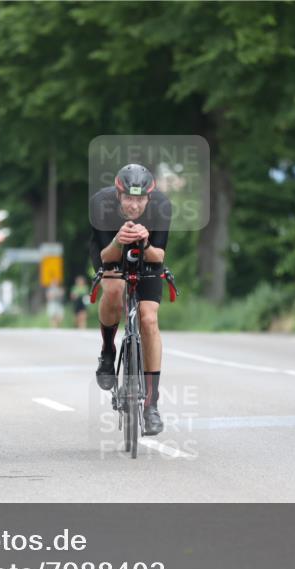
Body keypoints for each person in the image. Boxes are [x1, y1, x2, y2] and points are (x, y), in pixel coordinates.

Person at [89, 163, 171, 436]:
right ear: (118, 196)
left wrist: (145, 244)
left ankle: (151, 404)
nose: (134, 206)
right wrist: (118, 240)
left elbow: (159, 256)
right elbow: (104, 257)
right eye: (128, 199)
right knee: (113, 290)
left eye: (140, 200)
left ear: (149, 198)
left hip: (147, 255)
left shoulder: (161, 207)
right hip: (111, 251)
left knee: (148, 318)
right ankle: (107, 351)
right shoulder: (101, 204)